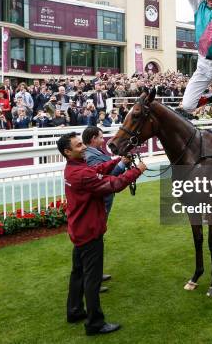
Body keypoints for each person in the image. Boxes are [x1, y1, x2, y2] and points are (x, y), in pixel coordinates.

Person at [57, 132, 146, 336]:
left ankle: (74, 311)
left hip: (79, 229)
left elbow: (96, 170)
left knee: (78, 273)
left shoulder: (74, 168)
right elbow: (113, 185)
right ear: (67, 152)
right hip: (90, 231)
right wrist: (136, 171)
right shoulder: (81, 174)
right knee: (92, 279)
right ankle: (95, 323)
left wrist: (118, 160)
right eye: (79, 145)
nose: (84, 147)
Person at [82, 126, 129, 292]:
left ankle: (96, 274)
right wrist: (122, 164)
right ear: (93, 138)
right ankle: (92, 281)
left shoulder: (95, 153)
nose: (103, 141)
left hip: (102, 201)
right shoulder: (91, 157)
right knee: (94, 241)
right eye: (101, 138)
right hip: (99, 202)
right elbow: (108, 178)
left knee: (98, 239)